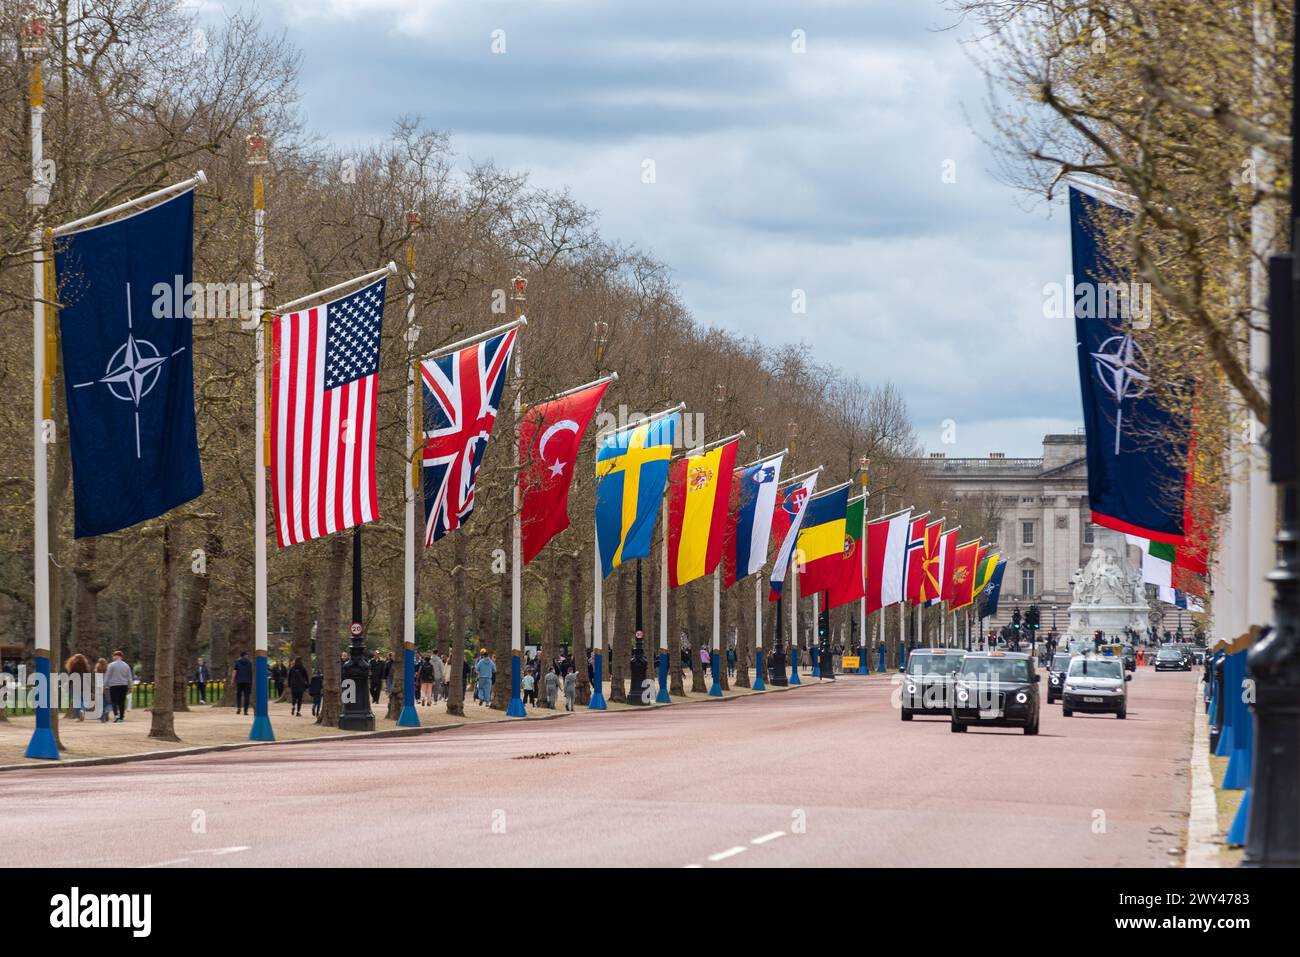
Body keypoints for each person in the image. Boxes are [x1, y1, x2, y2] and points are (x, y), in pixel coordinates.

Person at [104, 650, 133, 722]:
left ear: (116, 656)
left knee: (114, 701)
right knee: (122, 701)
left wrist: (105, 686)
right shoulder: (126, 665)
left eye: (113, 656)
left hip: (114, 685)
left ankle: (116, 715)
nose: (113, 657)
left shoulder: (111, 665)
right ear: (121, 657)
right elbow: (129, 677)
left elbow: (107, 676)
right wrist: (130, 686)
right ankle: (122, 717)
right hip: (124, 685)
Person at [65, 653, 90, 721]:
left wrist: (68, 687)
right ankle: (82, 710)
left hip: (75, 687)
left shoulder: (72, 667)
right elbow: (88, 679)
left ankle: (78, 717)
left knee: (76, 702)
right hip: (85, 687)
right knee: (85, 702)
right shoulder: (86, 668)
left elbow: (70, 679)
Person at [232, 650, 253, 715]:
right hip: (248, 681)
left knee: (239, 695)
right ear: (246, 656)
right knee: (247, 696)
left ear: (240, 656)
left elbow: (234, 672)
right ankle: (245, 710)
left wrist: (232, 680)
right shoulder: (250, 663)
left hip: (239, 681)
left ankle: (238, 708)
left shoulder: (237, 662)